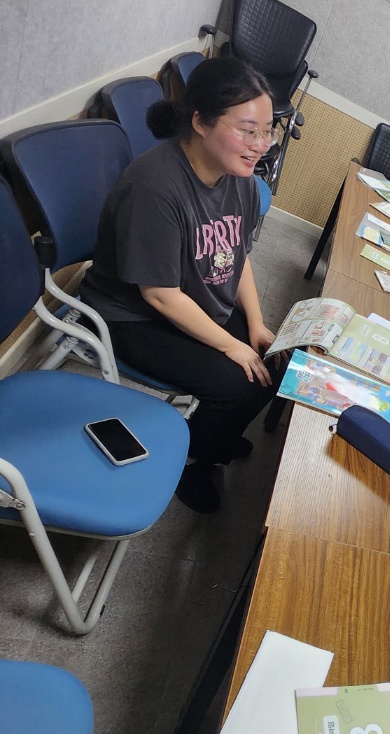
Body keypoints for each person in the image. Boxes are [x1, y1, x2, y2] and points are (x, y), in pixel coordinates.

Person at [80, 57, 281, 514]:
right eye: (247, 130)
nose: (260, 145)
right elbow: (159, 295)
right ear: (200, 121)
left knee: (273, 360)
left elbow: (238, 256)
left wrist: (255, 324)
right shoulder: (155, 186)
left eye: (267, 132)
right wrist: (232, 346)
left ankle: (216, 438)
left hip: (192, 293)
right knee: (238, 383)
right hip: (130, 315)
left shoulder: (240, 178)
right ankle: (194, 461)